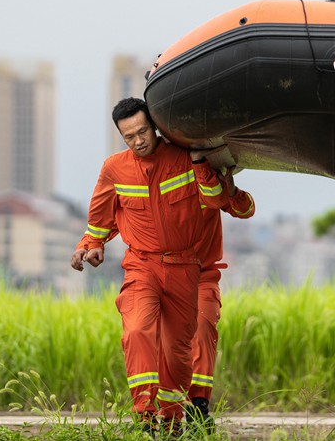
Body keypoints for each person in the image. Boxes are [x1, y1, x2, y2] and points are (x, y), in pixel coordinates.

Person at [70, 97, 229, 435]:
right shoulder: (114, 169)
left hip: (185, 267)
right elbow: (99, 220)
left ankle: (172, 420)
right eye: (129, 136)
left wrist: (200, 162)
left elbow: (216, 198)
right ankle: (144, 417)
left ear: (155, 127)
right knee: (137, 329)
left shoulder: (184, 158)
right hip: (142, 265)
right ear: (121, 137)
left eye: (142, 132)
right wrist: (89, 245)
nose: (138, 141)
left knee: (177, 351)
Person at [185, 167, 255, 432]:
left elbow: (245, 209)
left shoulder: (206, 178)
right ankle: (161, 410)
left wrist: (231, 189)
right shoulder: (157, 175)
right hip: (164, 274)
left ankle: (198, 406)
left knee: (203, 329)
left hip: (202, 275)